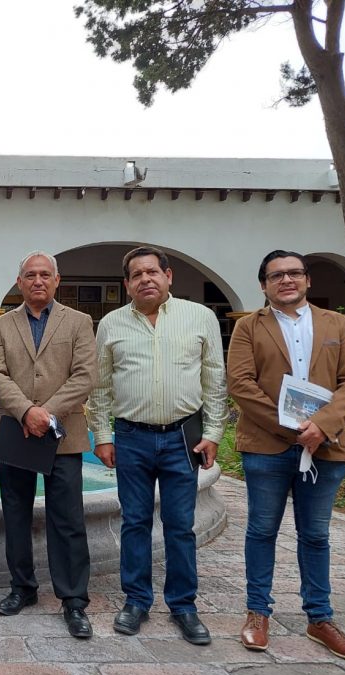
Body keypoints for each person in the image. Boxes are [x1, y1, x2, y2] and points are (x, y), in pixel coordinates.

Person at [228, 250, 345, 660]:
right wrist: (292, 428)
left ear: (307, 279)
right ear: (264, 285)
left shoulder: (335, 323)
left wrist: (321, 426)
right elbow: (241, 384)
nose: (286, 280)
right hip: (267, 447)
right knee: (261, 531)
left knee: (316, 535)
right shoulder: (249, 327)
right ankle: (258, 613)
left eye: (293, 273)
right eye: (276, 275)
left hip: (326, 447)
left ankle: (319, 618)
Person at [88, 246, 226, 645]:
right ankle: (136, 601)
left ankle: (183, 605)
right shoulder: (111, 324)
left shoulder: (199, 317)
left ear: (168, 276)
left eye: (153, 272)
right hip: (131, 437)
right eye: (137, 274)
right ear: (127, 283)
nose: (145, 279)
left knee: (181, 525)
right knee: (134, 521)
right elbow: (100, 386)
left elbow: (214, 379)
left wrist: (213, 432)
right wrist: (103, 435)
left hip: (183, 436)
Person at [0, 251, 98, 637]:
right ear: (19, 282)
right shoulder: (1, 325)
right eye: (30, 275)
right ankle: (22, 587)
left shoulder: (79, 322)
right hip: (16, 432)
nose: (38, 281)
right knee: (15, 514)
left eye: (45, 275)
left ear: (56, 280)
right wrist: (25, 412)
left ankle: (73, 599)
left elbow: (85, 375)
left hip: (62, 433)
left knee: (68, 519)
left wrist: (45, 413)